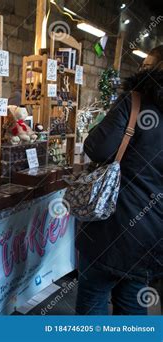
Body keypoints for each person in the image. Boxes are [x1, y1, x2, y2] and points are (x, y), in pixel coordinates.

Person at [76, 45, 163, 315]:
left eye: (146, 64)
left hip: (112, 226)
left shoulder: (135, 103)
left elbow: (97, 148)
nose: (142, 69)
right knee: (133, 304)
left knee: (93, 298)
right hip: (153, 235)